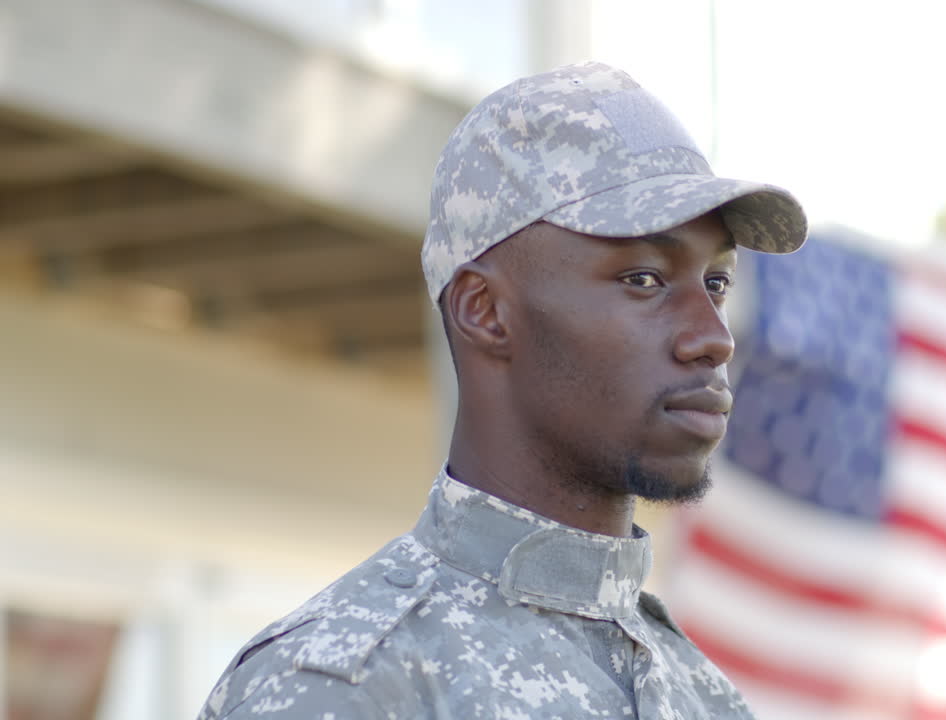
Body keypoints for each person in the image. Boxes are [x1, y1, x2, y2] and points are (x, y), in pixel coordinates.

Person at [197, 61, 806, 720]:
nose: (713, 337)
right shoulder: (349, 687)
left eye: (716, 284)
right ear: (484, 311)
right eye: (642, 279)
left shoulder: (706, 698)